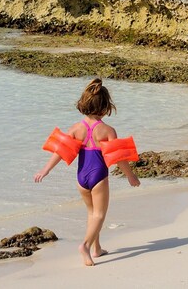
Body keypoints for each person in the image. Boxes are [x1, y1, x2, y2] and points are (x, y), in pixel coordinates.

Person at [34, 78, 141, 266]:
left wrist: (45, 170)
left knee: (92, 213)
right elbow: (118, 158)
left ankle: (96, 248)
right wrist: (130, 176)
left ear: (83, 103)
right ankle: (85, 245)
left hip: (81, 178)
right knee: (100, 215)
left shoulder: (75, 129)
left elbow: (61, 151)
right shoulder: (108, 130)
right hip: (98, 176)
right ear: (106, 107)